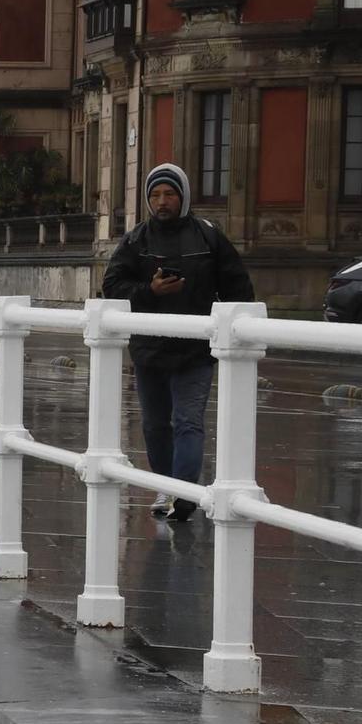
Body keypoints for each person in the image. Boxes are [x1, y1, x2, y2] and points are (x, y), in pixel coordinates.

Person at [101, 163, 255, 521]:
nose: (162, 201)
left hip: (195, 350)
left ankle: (185, 494)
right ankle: (167, 488)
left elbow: (238, 286)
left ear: (183, 197)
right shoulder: (136, 239)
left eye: (169, 194)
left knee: (188, 421)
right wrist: (149, 290)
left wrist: (235, 328)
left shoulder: (208, 236)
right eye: (155, 195)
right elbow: (112, 286)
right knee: (155, 425)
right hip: (148, 350)